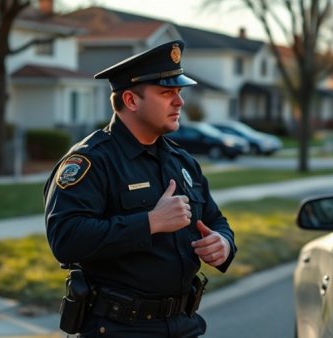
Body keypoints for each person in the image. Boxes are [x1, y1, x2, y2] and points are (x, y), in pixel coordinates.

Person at [44, 40, 237, 337]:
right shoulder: (92, 160)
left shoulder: (181, 160)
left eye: (179, 92)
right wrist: (150, 223)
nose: (179, 102)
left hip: (185, 325)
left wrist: (223, 243)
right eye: (166, 93)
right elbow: (66, 239)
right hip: (121, 327)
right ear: (132, 101)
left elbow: (215, 220)